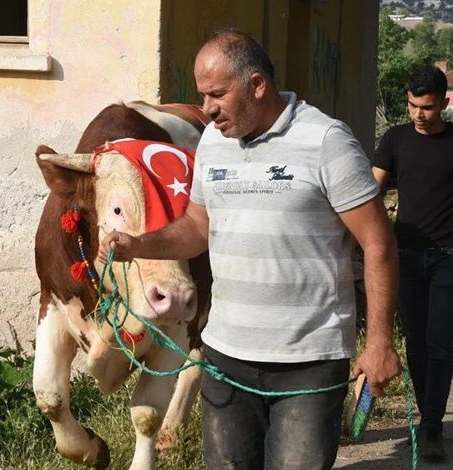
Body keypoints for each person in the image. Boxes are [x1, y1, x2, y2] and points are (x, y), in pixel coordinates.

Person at [98, 29, 401, 469]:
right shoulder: (214, 144)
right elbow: (197, 227)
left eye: (217, 94)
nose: (207, 109)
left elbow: (378, 242)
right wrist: (139, 244)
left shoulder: (326, 141)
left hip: (307, 363)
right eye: (202, 96)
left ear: (257, 85)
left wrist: (380, 343)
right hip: (225, 357)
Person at [372, 64, 453, 462]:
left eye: (426, 107)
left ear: (444, 103)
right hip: (404, 255)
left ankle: (433, 428)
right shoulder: (395, 139)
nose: (417, 114)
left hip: (450, 255)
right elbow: (371, 193)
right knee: (417, 347)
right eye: (411, 105)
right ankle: (427, 421)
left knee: (439, 343)